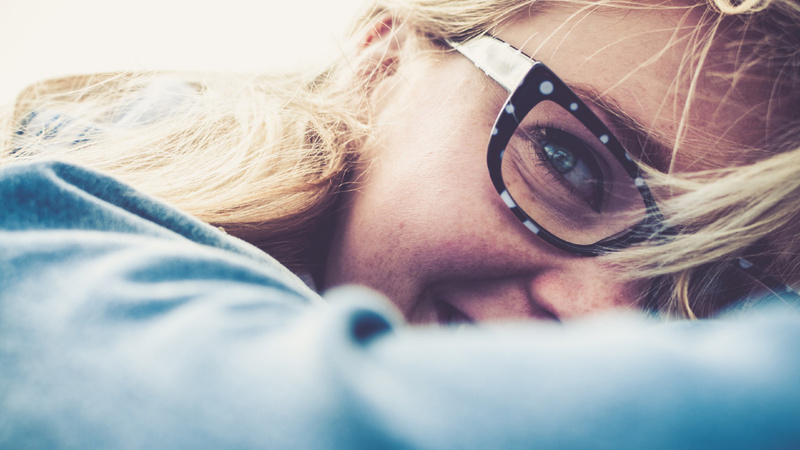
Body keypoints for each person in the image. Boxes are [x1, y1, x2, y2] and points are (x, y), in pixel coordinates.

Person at [1, 0, 799, 448]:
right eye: (568, 162)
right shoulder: (67, 239)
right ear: (381, 57)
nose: (601, 316)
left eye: (729, 283)